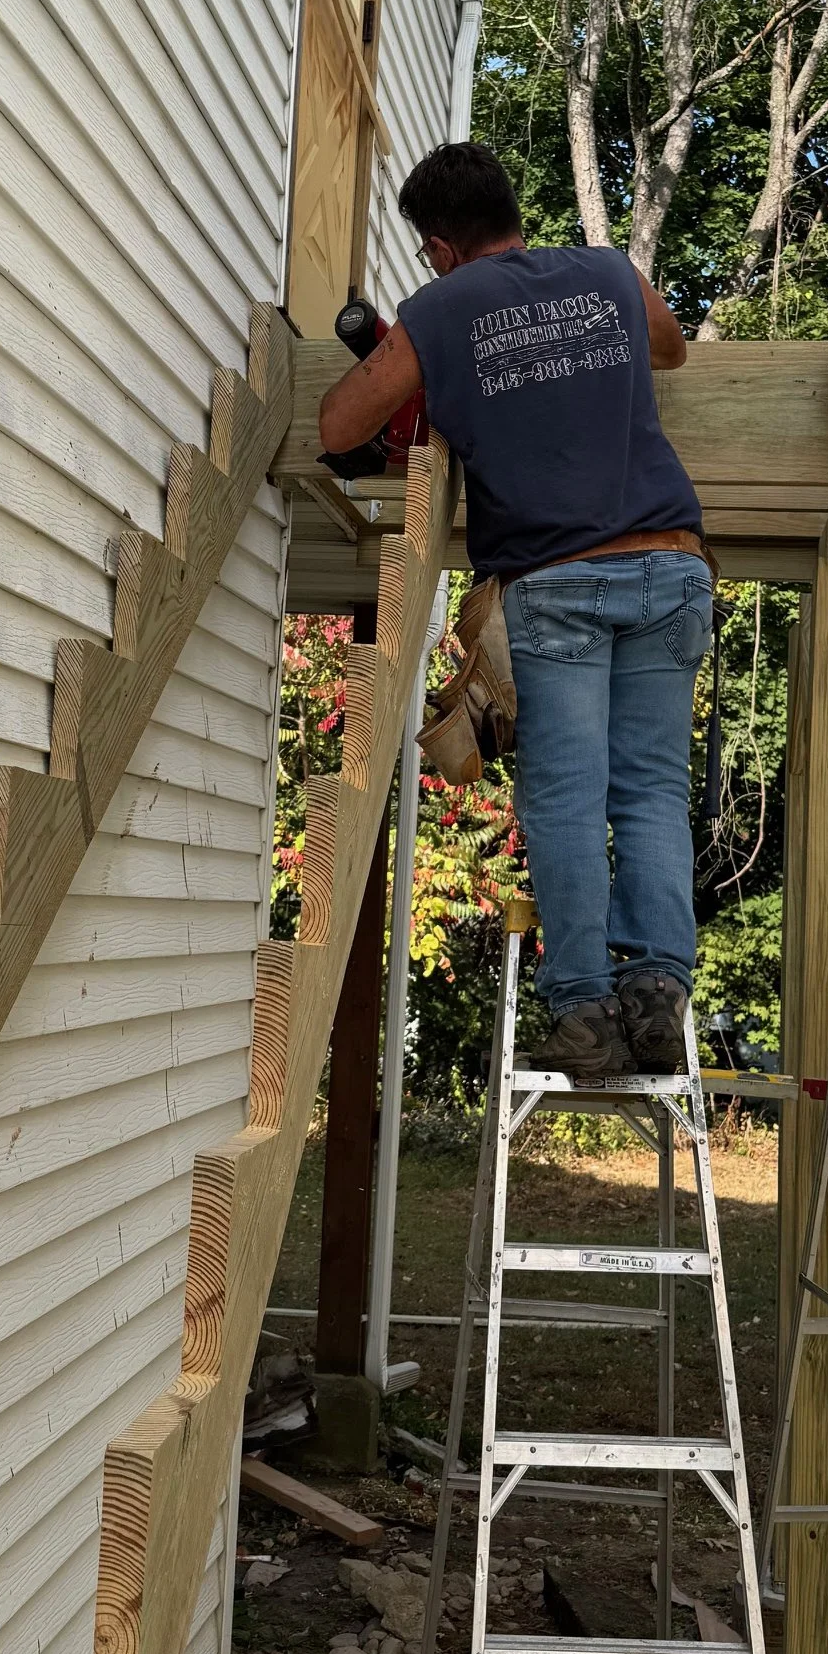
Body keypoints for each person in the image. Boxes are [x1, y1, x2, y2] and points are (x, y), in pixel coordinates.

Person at [316, 141, 710, 1082]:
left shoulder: (439, 308)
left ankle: (581, 1007)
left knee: (567, 797)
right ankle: (657, 993)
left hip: (557, 578)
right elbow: (670, 343)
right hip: (672, 564)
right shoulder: (607, 270)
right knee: (651, 789)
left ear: (441, 247)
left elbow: (338, 426)